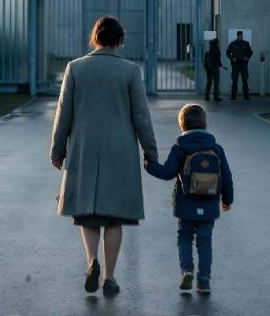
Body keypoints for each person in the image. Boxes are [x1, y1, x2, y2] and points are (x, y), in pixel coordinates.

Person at [50, 16, 158, 296]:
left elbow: (63, 114)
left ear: (95, 38)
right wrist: (150, 152)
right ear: (120, 39)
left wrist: (57, 150)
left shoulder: (75, 68)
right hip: (119, 150)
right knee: (113, 218)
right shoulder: (130, 71)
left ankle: (91, 261)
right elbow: (141, 117)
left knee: (87, 215)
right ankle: (109, 276)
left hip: (84, 149)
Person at [145, 104, 234, 296]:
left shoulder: (180, 148)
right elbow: (226, 177)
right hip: (209, 205)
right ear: (205, 124)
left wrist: (149, 165)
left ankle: (186, 271)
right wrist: (227, 200)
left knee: (185, 237)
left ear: (181, 126)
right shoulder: (216, 148)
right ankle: (204, 281)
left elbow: (167, 172)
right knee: (205, 241)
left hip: (186, 204)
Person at [225, 31, 253, 100]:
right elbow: (227, 53)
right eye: (239, 36)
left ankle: (246, 95)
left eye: (241, 36)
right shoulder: (233, 44)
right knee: (234, 80)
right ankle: (233, 95)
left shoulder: (246, 43)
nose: (241, 37)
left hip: (243, 64)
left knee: (245, 80)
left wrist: (247, 56)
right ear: (237, 36)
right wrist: (232, 58)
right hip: (235, 65)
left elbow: (250, 52)